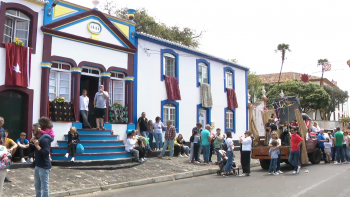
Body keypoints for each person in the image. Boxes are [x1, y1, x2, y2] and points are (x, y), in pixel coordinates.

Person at [30, 123, 52, 197]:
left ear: (39, 130)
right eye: (32, 130)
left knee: (44, 187)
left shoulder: (45, 139)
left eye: (34, 130)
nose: (32, 132)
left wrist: (37, 146)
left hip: (44, 166)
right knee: (37, 186)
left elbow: (45, 153)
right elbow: (30, 151)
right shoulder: (36, 139)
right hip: (37, 165)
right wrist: (31, 142)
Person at [0, 117, 11, 184]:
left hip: (1, 148)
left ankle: (4, 176)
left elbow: (4, 139)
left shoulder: (2, 129)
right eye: (3, 121)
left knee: (4, 162)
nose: (4, 122)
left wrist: (5, 148)